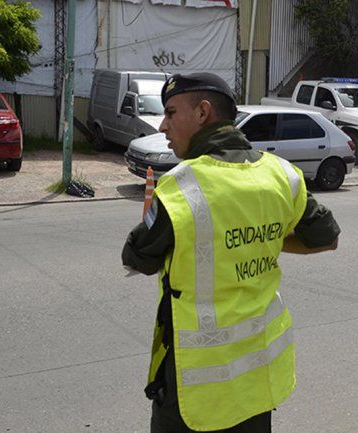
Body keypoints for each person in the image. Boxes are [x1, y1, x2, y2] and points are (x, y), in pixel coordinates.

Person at [122, 72, 340, 433]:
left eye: (172, 113)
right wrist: (264, 237)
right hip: (258, 374)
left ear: (203, 112)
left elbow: (137, 257)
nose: (162, 125)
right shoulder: (281, 174)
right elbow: (326, 238)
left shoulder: (182, 183)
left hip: (196, 386)